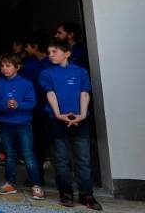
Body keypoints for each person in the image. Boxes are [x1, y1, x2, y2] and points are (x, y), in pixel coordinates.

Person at [40, 40, 102, 210]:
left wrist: (82, 115)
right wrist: (58, 114)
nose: (50, 55)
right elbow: (50, 94)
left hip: (80, 120)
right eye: (49, 52)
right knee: (61, 159)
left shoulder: (81, 72)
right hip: (57, 120)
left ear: (67, 53)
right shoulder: (46, 73)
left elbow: (84, 93)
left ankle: (86, 194)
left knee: (83, 159)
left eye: (54, 51)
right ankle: (66, 193)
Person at [0, 53, 44, 200]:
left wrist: (18, 104)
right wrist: (5, 105)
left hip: (23, 124)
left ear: (17, 67)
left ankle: (36, 185)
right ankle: (10, 184)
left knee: (28, 155)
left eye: (8, 66)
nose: (4, 69)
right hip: (5, 125)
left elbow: (32, 103)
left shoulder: (26, 83)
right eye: (2, 66)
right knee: (9, 155)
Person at [23, 33, 53, 181]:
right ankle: (37, 176)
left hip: (52, 109)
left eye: (27, 46)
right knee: (35, 144)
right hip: (34, 110)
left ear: (35, 46)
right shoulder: (29, 64)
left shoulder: (52, 63)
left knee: (56, 143)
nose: (26, 49)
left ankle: (63, 179)